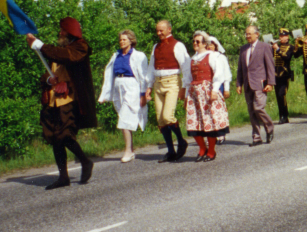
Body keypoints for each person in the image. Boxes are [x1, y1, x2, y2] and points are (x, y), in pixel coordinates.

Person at [27, 17, 96, 190]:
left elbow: (66, 56)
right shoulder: (58, 51)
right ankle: (63, 177)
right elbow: (49, 71)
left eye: (63, 30)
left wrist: (39, 45)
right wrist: (48, 80)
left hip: (69, 99)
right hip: (52, 100)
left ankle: (85, 161)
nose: (60, 33)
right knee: (54, 137)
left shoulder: (80, 47)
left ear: (71, 32)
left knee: (64, 135)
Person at [97, 29, 149, 163]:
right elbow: (109, 75)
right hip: (118, 86)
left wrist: (143, 94)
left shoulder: (139, 56)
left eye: (124, 39)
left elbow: (143, 76)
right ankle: (131, 149)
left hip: (132, 86)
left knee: (124, 118)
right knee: (123, 116)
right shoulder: (116, 55)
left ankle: (127, 151)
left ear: (131, 41)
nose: (121, 42)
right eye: (120, 39)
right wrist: (104, 94)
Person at [145, 20, 190, 163]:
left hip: (172, 82)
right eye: (157, 30)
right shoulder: (156, 47)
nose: (159, 33)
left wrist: (184, 88)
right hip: (158, 83)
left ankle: (181, 141)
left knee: (168, 116)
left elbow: (186, 67)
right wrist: (149, 86)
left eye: (161, 30)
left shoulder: (177, 45)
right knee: (160, 119)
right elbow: (151, 67)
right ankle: (170, 151)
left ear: (169, 29)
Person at [182, 30, 230, 160]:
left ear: (204, 44)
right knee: (194, 122)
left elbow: (218, 74)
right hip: (194, 94)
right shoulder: (191, 60)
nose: (195, 43)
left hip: (207, 92)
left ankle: (211, 151)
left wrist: (214, 90)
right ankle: (202, 148)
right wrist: (186, 97)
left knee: (210, 121)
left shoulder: (212, 56)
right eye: (194, 41)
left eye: (198, 41)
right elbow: (187, 80)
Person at [235, 25, 276, 146]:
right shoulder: (243, 49)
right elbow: (240, 68)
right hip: (247, 84)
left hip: (260, 84)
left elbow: (270, 66)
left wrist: (271, 83)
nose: (247, 36)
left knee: (258, 108)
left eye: (249, 34)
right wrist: (239, 83)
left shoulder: (264, 47)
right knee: (251, 111)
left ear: (257, 34)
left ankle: (269, 127)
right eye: (246, 34)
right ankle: (256, 137)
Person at [272, 28, 296, 124]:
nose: (281, 38)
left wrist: (277, 49)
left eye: (283, 36)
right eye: (280, 36)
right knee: (278, 96)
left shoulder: (290, 47)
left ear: (287, 37)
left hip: (284, 74)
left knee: (282, 94)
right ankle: (282, 115)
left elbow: (287, 57)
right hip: (275, 74)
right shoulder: (275, 47)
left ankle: (285, 115)